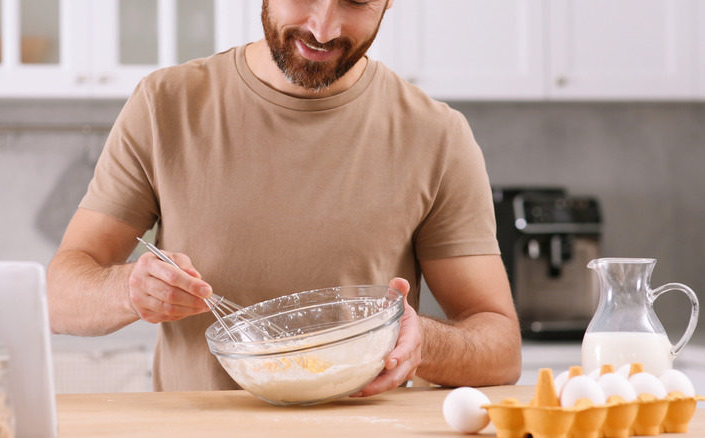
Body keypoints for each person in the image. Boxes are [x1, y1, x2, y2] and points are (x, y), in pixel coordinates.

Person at [47, 0, 522, 396]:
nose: (323, 27)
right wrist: (128, 289)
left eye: (356, 1)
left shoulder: (436, 135)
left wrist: (427, 344)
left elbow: (501, 348)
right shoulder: (165, 105)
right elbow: (57, 296)